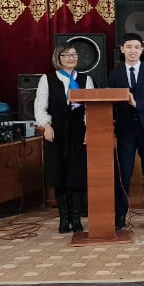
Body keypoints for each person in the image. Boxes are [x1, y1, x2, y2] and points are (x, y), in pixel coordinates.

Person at [34, 42, 95, 234]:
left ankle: (76, 219)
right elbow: (40, 106)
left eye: (74, 54)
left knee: (77, 174)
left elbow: (91, 109)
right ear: (58, 58)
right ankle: (64, 219)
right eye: (67, 55)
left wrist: (89, 129)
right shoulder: (48, 79)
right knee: (59, 174)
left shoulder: (85, 79)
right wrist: (46, 125)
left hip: (78, 131)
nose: (71, 58)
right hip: (57, 131)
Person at [109, 33, 144, 231]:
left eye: (136, 47)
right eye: (128, 47)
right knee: (123, 175)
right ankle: (120, 215)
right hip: (125, 131)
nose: (132, 50)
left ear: (141, 50)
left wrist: (137, 104)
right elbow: (110, 101)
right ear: (122, 49)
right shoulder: (115, 74)